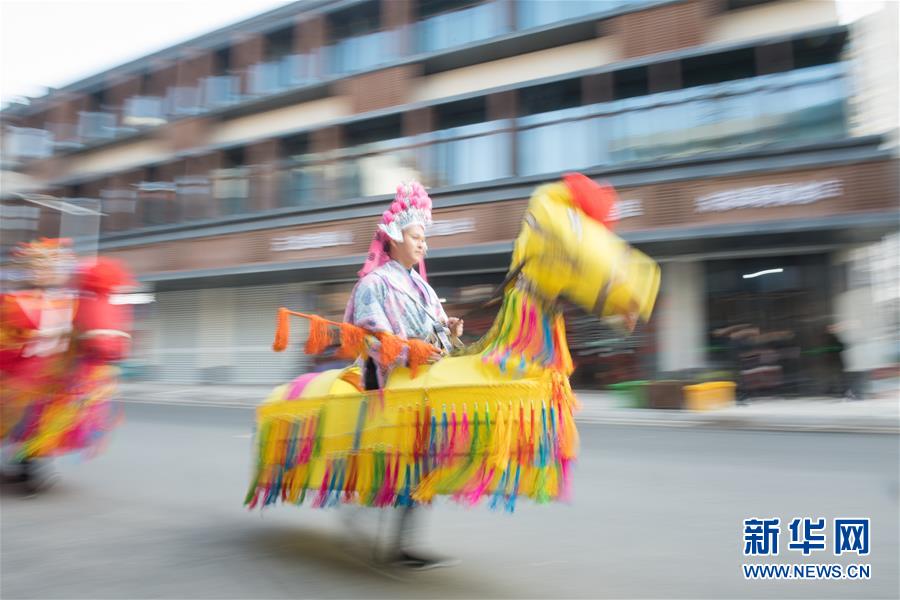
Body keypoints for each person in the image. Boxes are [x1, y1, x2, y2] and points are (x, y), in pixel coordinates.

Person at [342, 181, 462, 570]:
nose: (423, 243)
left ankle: (403, 542)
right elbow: (376, 338)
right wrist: (413, 348)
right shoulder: (372, 285)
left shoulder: (424, 290)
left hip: (423, 383)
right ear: (394, 237)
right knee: (398, 463)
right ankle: (372, 518)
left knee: (423, 463)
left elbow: (439, 333)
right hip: (390, 384)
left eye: (425, 237)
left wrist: (450, 331)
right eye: (416, 235)